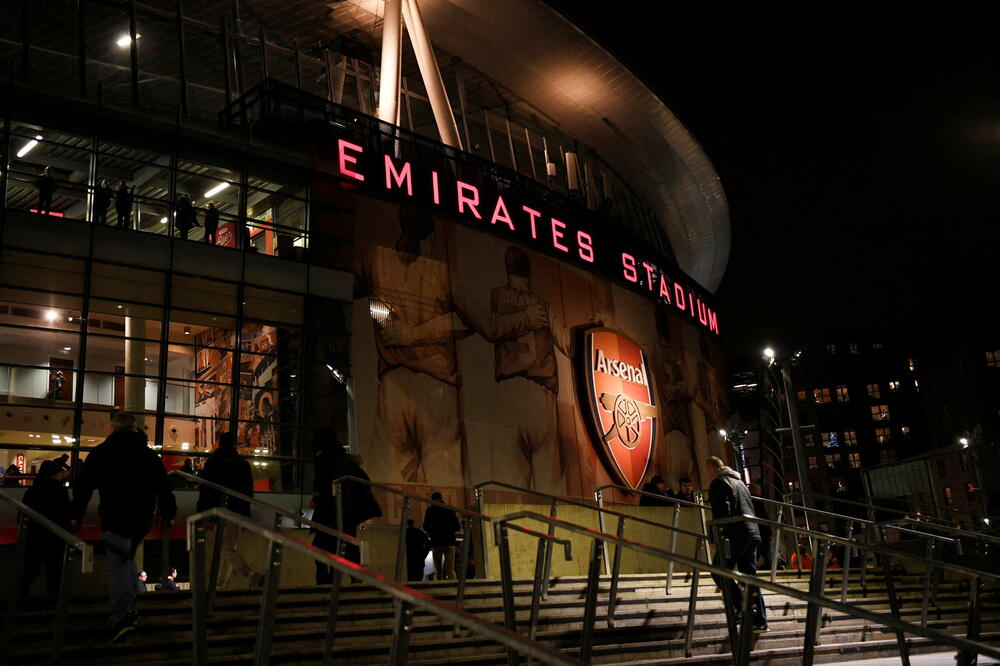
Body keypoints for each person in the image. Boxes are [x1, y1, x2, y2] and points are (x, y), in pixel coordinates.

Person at [72, 411, 177, 643]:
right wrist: (168, 512)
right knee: (126, 558)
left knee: (118, 564)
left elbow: (84, 487)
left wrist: (76, 515)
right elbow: (164, 486)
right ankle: (129, 609)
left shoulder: (101, 452)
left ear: (113, 428)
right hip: (141, 519)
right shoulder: (148, 454)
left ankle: (122, 617)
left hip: (114, 515)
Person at [310, 428, 381, 583]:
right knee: (346, 548)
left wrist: (316, 496)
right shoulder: (346, 460)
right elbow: (364, 482)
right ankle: (353, 578)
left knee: (321, 546)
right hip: (347, 512)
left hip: (329, 512)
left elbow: (321, 481)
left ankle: (326, 580)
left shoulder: (324, 458)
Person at [705, 456, 766, 631]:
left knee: (718, 570)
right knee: (749, 576)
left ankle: (741, 606)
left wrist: (715, 537)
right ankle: (759, 618)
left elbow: (723, 512)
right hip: (751, 532)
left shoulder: (718, 482)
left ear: (711, 469)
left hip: (735, 534)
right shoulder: (740, 483)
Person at [195, 432, 258, 589]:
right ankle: (221, 584)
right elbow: (248, 491)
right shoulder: (242, 463)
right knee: (228, 546)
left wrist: (202, 511)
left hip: (220, 509)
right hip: (237, 509)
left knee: (225, 547)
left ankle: (249, 574)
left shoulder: (213, 463)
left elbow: (206, 489)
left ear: (220, 444)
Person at [19, 460, 72, 597]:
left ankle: (18, 600)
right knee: (55, 572)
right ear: (55, 474)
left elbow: (22, 515)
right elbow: (65, 514)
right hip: (55, 538)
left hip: (34, 536)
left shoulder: (31, 491)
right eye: (60, 473)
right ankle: (54, 604)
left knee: (29, 570)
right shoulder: (60, 491)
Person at [423, 492, 461, 581]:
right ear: (441, 498)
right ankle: (453, 587)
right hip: (449, 541)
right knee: (450, 569)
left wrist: (433, 532)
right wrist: (448, 530)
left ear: (432, 500)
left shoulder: (430, 511)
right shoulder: (450, 509)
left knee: (438, 569)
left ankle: (439, 585)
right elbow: (457, 526)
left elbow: (425, 526)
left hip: (436, 542)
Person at [748, 481, 772, 569]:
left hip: (757, 532)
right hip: (761, 533)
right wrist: (769, 532)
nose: (760, 491)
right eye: (758, 490)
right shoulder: (758, 502)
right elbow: (763, 517)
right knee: (766, 555)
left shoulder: (752, 502)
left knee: (757, 554)